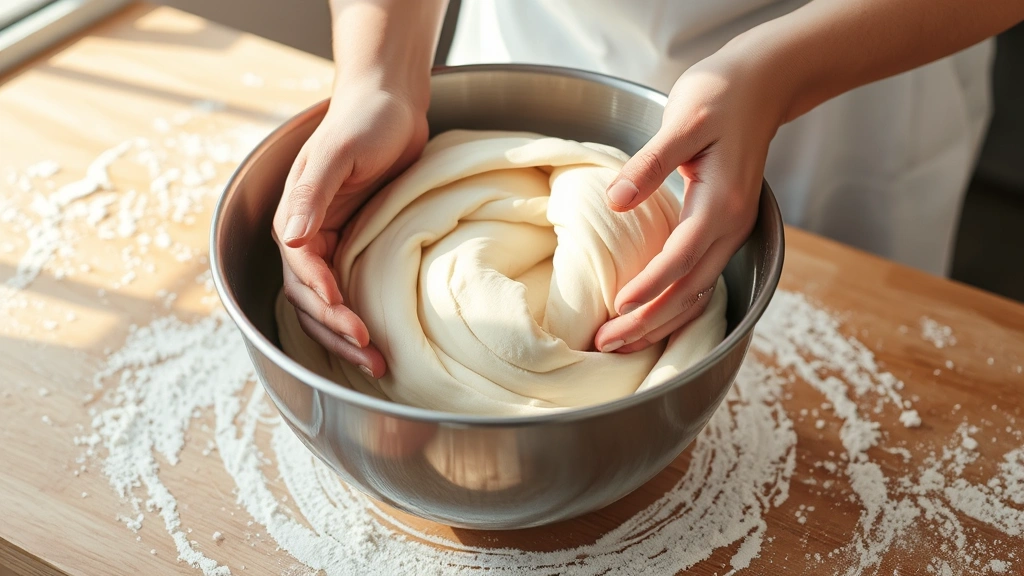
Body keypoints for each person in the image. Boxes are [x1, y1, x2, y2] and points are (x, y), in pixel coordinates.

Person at [272, 0, 1024, 378]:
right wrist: (382, 72)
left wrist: (781, 73)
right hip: (547, 37)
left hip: (853, 68)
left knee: (855, 358)